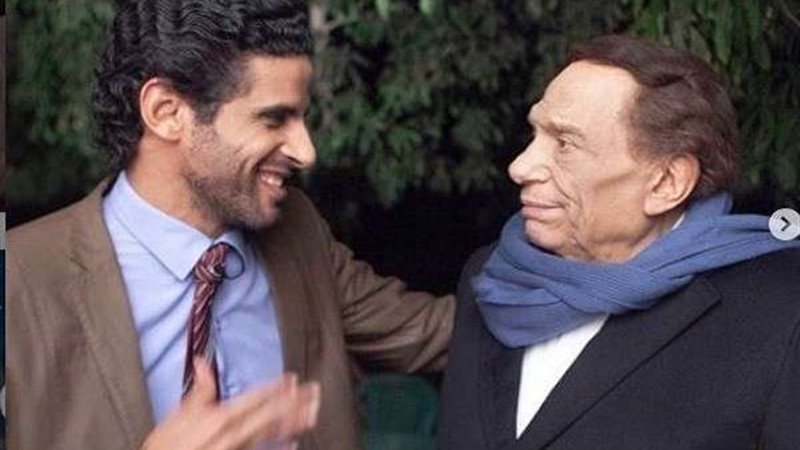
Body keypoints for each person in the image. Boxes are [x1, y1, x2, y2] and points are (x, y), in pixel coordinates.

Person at [7, 1, 453, 449]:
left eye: (301, 117)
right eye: (273, 119)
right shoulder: (18, 279)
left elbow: (438, 333)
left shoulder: (298, 231)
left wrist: (504, 255)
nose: (306, 151)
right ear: (166, 111)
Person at [439, 34, 800, 450]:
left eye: (565, 144)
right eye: (535, 134)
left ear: (666, 183)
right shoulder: (490, 278)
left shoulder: (780, 309)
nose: (520, 166)